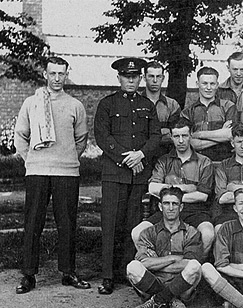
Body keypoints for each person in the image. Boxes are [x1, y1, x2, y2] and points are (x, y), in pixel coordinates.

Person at [14, 56, 90, 294]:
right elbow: (20, 136)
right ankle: (28, 275)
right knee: (33, 222)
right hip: (37, 171)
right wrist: (33, 161)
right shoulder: (31, 103)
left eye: (61, 74)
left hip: (66, 172)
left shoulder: (75, 105)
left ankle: (68, 272)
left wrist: (67, 159)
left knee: (67, 224)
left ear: (67, 75)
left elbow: (81, 140)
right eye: (52, 73)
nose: (57, 78)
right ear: (45, 74)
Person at [94, 57, 161, 295]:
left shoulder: (147, 105)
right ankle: (108, 276)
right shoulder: (107, 104)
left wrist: (140, 154)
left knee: (134, 224)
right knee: (111, 223)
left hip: (139, 175)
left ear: (140, 78)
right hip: (115, 173)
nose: (130, 80)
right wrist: (128, 158)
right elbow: (103, 138)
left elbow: (156, 136)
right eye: (126, 76)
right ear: (119, 78)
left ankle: (128, 271)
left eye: (134, 76)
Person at [131, 118, 215, 260]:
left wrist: (168, 193)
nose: (181, 141)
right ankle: (159, 267)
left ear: (191, 135)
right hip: (166, 210)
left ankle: (195, 269)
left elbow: (202, 195)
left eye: (184, 136)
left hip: (194, 211)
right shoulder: (164, 161)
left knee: (208, 234)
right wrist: (187, 188)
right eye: (176, 136)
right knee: (137, 232)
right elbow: (152, 187)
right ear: (171, 137)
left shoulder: (204, 162)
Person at [127, 187, 205, 308]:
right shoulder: (149, 232)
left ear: (181, 207)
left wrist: (157, 262)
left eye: (175, 204)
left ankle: (155, 302)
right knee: (132, 267)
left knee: (195, 267)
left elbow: (189, 262)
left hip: (182, 285)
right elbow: (143, 262)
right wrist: (173, 258)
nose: (170, 208)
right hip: (155, 281)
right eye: (166, 203)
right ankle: (171, 299)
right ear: (160, 206)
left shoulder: (191, 232)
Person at [180, 67, 237, 161]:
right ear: (197, 84)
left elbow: (230, 135)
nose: (209, 88)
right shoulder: (187, 112)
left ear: (217, 85)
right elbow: (189, 143)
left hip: (223, 161)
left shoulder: (228, 106)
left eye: (212, 84)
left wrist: (198, 134)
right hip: (197, 162)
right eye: (205, 83)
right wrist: (220, 136)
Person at [142, 61, 181, 154]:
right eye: (151, 76)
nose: (155, 80)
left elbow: (175, 135)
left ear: (163, 78)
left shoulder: (172, 105)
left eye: (158, 76)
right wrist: (163, 132)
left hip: (165, 155)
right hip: (140, 157)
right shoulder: (135, 103)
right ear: (144, 77)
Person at [218, 52, 243, 119]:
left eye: (242, 69)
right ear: (228, 68)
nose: (238, 73)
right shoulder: (218, 90)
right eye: (235, 69)